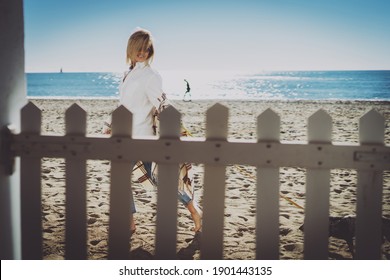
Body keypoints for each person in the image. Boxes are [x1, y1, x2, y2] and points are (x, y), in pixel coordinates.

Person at [117, 28, 202, 233]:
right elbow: (123, 105)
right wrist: (109, 127)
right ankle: (129, 223)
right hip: (124, 135)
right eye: (138, 48)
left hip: (142, 137)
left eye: (146, 49)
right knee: (119, 179)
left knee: (163, 179)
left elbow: (161, 102)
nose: (142, 52)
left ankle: (194, 211)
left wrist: (174, 124)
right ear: (131, 49)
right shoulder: (128, 75)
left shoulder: (151, 75)